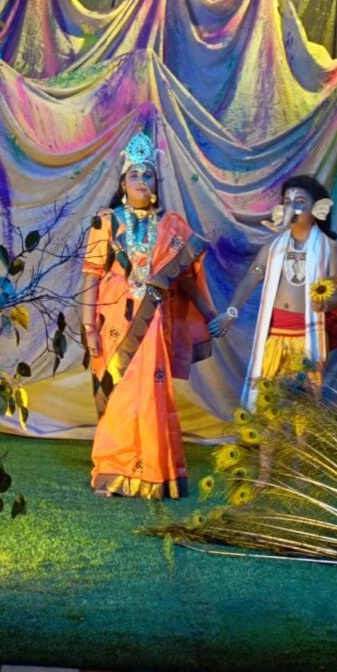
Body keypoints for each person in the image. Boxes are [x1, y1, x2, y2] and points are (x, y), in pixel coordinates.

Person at [80, 132, 216, 499]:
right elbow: (90, 275)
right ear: (123, 183)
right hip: (113, 323)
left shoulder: (172, 226)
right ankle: (113, 471)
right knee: (120, 395)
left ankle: (156, 473)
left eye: (148, 175)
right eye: (135, 175)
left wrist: (209, 314)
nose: (142, 181)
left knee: (153, 394)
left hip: (154, 322)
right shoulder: (107, 222)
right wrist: (88, 327)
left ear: (156, 183)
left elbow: (186, 279)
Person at [209, 175, 337, 408]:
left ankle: (302, 433)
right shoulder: (273, 247)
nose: (292, 207)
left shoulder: (329, 248)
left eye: (300, 202)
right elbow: (253, 276)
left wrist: (326, 303)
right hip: (274, 334)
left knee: (304, 402)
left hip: (306, 337)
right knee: (265, 398)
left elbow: (336, 294)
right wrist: (231, 312)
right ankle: (264, 434)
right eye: (287, 202)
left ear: (318, 209)